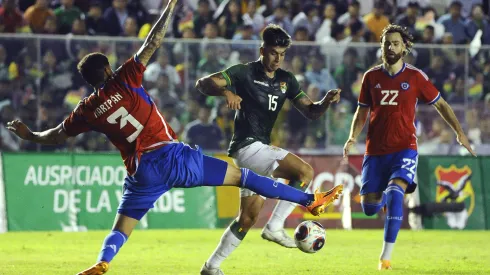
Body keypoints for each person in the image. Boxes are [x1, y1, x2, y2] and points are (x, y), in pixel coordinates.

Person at [6, 1, 342, 274]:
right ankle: (306, 200)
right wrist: (170, 6)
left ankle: (103, 261)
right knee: (246, 178)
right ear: (108, 70)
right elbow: (152, 42)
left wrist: (28, 133)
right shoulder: (124, 79)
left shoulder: (87, 109)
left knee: (121, 228)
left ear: (88, 81)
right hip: (174, 157)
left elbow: (56, 136)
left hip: (142, 173)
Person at [196, 24, 343, 275]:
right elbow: (203, 83)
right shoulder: (243, 72)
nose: (278, 58)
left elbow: (310, 111)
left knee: (247, 219)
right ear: (262, 49)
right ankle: (275, 226)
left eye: (283, 54)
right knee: (305, 172)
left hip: (257, 151)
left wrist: (326, 102)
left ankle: (211, 266)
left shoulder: (287, 80)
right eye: (274, 52)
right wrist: (227, 91)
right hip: (247, 147)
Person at [343, 24, 476, 271]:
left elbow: (442, 105)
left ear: (404, 47)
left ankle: (385, 258)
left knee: (396, 192)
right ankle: (381, 199)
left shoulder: (415, 77)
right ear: (381, 47)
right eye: (386, 43)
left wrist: (459, 132)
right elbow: (362, 111)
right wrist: (352, 137)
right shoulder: (370, 77)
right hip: (375, 151)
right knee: (370, 208)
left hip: (405, 148)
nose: (390, 47)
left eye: (395, 43)